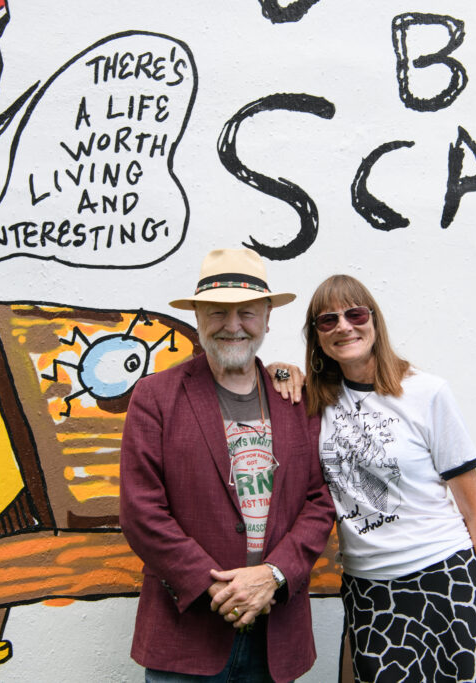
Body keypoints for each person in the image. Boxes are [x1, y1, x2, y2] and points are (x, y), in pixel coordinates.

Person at [119, 248, 335, 683]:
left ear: (268, 318)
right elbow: (142, 512)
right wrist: (217, 588)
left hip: (277, 636)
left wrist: (272, 576)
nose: (233, 325)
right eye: (218, 312)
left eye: (247, 313)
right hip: (187, 634)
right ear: (198, 316)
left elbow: (320, 501)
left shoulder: (297, 398)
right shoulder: (155, 397)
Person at [299, 274, 476, 682]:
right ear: (317, 337)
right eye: (328, 320)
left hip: (443, 578)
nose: (344, 326)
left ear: (374, 321)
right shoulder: (315, 402)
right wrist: (282, 372)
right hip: (369, 591)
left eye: (355, 314)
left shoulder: (427, 393)